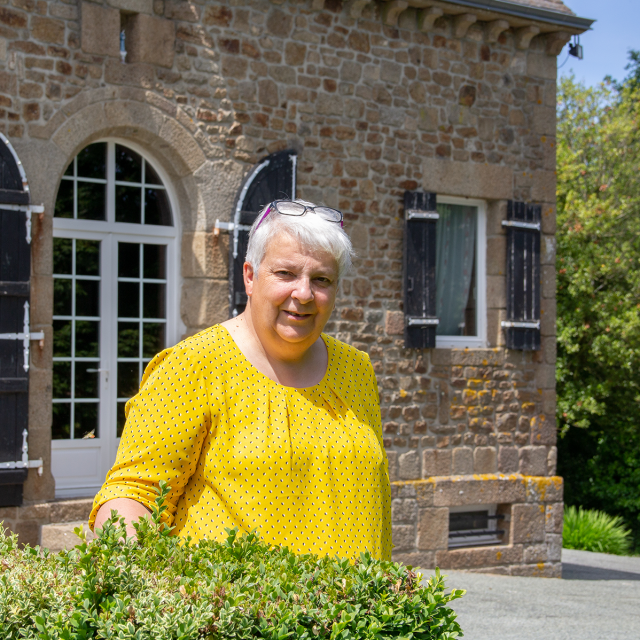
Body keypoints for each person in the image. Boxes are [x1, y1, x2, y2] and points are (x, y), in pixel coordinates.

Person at [89, 199, 392, 560]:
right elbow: (133, 495)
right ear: (250, 276)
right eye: (286, 274)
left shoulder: (355, 369)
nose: (304, 293)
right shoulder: (194, 366)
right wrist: (138, 582)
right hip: (239, 613)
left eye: (322, 279)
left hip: (360, 613)